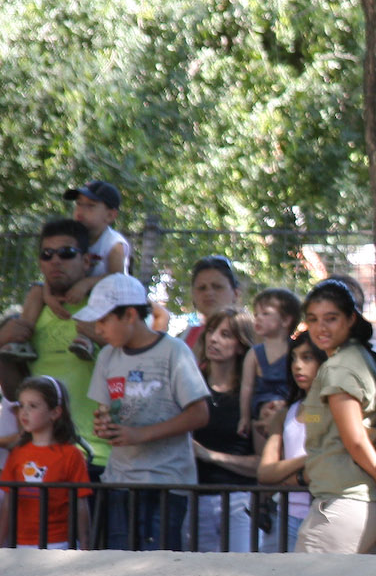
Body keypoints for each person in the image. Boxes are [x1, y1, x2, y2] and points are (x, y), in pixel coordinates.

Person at [78, 273, 210, 550]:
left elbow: (199, 414)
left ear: (129, 315)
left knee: (159, 571)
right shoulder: (107, 356)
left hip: (165, 484)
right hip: (118, 482)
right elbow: (105, 410)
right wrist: (103, 424)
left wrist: (141, 434)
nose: (98, 329)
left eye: (103, 320)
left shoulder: (174, 351)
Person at [0, 220, 112, 480]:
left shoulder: (106, 309)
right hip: (40, 459)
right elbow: (16, 392)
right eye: (47, 254)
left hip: (97, 456)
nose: (56, 261)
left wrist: (100, 337)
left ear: (86, 261)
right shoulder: (32, 313)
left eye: (67, 253)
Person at [295, 278, 376, 553]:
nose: (320, 328)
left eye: (331, 318)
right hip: (359, 505)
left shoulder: (339, 367)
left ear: (350, 319)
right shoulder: (361, 357)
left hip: (345, 505)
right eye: (313, 319)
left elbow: (356, 440)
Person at [0, 182, 129, 365]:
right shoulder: (73, 236)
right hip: (72, 289)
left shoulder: (114, 243)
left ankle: (87, 340)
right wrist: (47, 294)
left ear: (110, 215)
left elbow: (117, 278)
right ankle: (23, 337)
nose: (81, 211)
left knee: (104, 295)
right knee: (36, 290)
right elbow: (54, 269)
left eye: (90, 206)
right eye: (79, 204)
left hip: (102, 293)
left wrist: (86, 284)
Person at [191, 308, 264, 551]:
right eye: (211, 331)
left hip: (240, 500)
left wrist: (211, 456)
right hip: (194, 499)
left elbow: (262, 465)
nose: (213, 339)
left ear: (241, 345)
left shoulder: (254, 394)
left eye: (225, 334)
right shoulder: (189, 385)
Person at [0, 376, 92, 549]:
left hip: (59, 544)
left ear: (55, 412)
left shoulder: (71, 454)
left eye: (33, 406)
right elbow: (7, 502)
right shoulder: (18, 454)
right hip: (22, 544)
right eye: (21, 405)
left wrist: (86, 545)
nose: (24, 412)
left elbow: (81, 503)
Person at [256, 333, 327, 550]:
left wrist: (285, 475)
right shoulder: (285, 413)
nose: (298, 366)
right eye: (294, 358)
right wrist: (308, 458)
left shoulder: (335, 410)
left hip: (322, 515)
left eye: (307, 358)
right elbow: (265, 473)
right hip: (283, 515)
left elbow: (324, 470)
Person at [237, 287, 301, 449]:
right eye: (256, 314)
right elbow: (247, 388)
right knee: (264, 458)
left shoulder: (297, 351)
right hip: (262, 415)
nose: (257, 318)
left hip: (291, 412)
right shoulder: (254, 354)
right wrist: (244, 417)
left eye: (265, 314)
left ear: (286, 320)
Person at [179, 256, 243, 353]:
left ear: (236, 293)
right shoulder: (183, 339)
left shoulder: (252, 334)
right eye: (202, 288)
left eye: (217, 287)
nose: (208, 293)